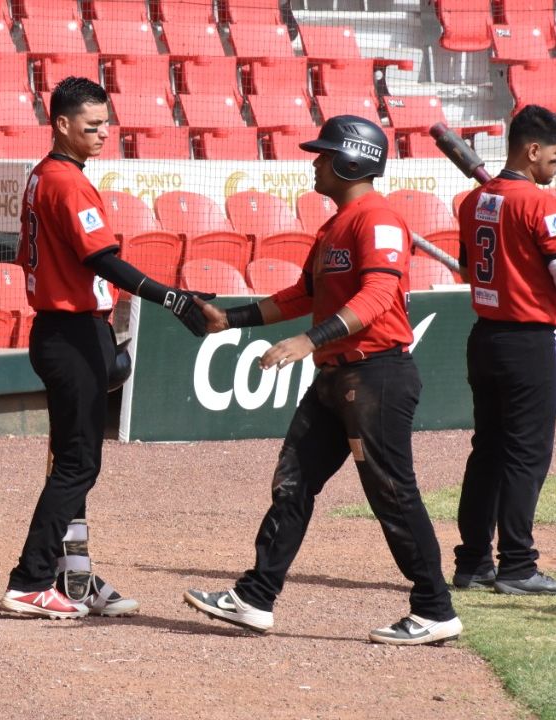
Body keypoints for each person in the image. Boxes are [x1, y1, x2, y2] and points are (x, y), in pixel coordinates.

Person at [182, 116, 462, 646]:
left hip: (377, 375)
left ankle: (435, 609)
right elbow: (302, 295)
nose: (315, 163)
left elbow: (378, 296)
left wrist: (309, 341)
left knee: (392, 493)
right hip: (337, 378)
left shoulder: (378, 219)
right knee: (293, 482)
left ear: (350, 161)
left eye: (324, 155)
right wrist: (230, 320)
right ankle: (255, 597)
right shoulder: (336, 225)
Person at [1, 77, 211, 620]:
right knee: (77, 465)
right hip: (71, 334)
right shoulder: (66, 182)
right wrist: (171, 297)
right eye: (91, 125)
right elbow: (102, 260)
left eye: (105, 125)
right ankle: (30, 580)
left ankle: (73, 578)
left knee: (74, 463)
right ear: (61, 124)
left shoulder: (47, 174)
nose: (102, 134)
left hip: (66, 331)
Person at [451, 105, 556, 596]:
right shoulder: (539, 204)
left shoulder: (473, 201)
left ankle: (472, 563)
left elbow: (467, 269)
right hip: (527, 343)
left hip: (484, 338)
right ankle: (517, 565)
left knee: (487, 451)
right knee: (527, 454)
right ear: (532, 150)